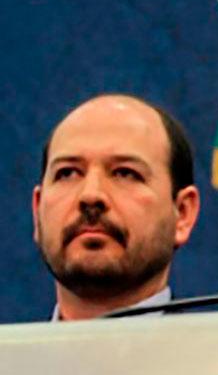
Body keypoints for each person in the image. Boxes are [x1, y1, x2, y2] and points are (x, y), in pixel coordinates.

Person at [33, 94, 200, 321]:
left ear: (182, 214)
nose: (91, 195)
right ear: (37, 211)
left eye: (125, 173)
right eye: (68, 173)